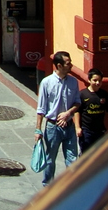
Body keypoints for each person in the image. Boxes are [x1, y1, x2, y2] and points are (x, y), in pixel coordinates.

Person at [35, 51, 81, 186]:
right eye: (68, 63)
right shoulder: (46, 82)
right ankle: (48, 187)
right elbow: (41, 109)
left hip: (69, 126)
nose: (71, 65)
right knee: (50, 160)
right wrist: (38, 130)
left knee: (72, 159)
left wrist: (68, 113)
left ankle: (71, 187)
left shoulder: (74, 82)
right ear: (59, 66)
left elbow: (78, 102)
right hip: (52, 127)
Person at [74, 68, 108, 153]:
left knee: (100, 154)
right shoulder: (82, 94)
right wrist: (77, 127)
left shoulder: (104, 94)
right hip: (86, 131)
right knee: (87, 154)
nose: (98, 83)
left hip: (100, 131)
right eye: (95, 80)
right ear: (89, 80)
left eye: (100, 81)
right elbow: (77, 111)